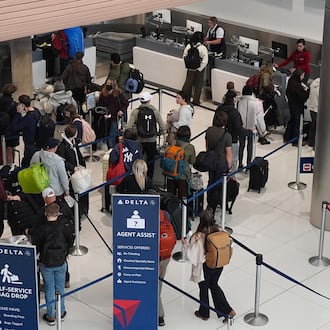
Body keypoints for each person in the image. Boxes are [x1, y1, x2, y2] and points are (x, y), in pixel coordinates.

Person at [186, 208, 236, 322]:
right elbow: (230, 245)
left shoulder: (198, 236)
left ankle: (204, 313)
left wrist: (186, 246)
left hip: (205, 266)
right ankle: (227, 311)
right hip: (219, 263)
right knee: (214, 285)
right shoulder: (220, 230)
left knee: (204, 288)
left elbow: (192, 257)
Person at [30, 203, 73, 326]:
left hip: (46, 264)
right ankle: (61, 311)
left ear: (45, 214)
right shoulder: (64, 228)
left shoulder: (41, 230)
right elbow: (70, 242)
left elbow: (35, 245)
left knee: (49, 289)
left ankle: (51, 316)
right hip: (61, 262)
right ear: (58, 214)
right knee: (60, 288)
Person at [125, 92, 166, 179]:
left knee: (138, 161)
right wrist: (157, 133)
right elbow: (163, 127)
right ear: (149, 100)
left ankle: (138, 179)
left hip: (139, 141)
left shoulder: (136, 112)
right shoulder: (155, 111)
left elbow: (128, 127)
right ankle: (149, 180)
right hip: (152, 141)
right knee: (151, 162)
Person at [205, 111, 232, 213]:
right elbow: (228, 154)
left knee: (211, 182)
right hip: (221, 163)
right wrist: (229, 168)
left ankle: (209, 203)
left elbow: (207, 147)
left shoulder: (209, 131)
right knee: (218, 185)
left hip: (211, 161)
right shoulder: (227, 135)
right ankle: (213, 206)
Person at [237, 85, 270, 169]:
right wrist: (263, 131)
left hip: (241, 128)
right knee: (250, 147)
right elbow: (259, 118)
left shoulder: (239, 102)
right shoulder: (256, 103)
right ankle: (249, 165)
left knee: (241, 146)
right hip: (252, 128)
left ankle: (240, 163)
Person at [216, 90, 246, 172]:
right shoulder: (235, 113)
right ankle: (231, 180)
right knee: (233, 160)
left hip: (219, 138)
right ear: (234, 99)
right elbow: (239, 128)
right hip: (232, 140)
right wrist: (249, 132)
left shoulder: (219, 109)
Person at [97, 78, 129, 148]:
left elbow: (125, 103)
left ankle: (113, 150)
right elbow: (100, 105)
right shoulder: (103, 94)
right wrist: (103, 114)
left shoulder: (118, 94)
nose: (108, 85)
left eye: (110, 84)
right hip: (105, 119)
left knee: (111, 137)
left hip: (115, 118)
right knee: (105, 135)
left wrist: (121, 111)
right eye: (107, 83)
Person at [11, 95, 41, 167]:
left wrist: (18, 113)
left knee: (26, 164)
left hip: (30, 145)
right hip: (37, 143)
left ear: (22, 105)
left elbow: (14, 127)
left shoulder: (28, 118)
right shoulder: (36, 111)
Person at [166, 126, 196, 199]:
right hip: (183, 176)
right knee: (183, 198)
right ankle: (182, 210)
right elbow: (193, 161)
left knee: (170, 198)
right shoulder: (190, 147)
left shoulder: (172, 144)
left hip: (170, 174)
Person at [284, 69, 310, 145]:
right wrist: (308, 91)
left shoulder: (291, 81)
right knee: (297, 123)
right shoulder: (297, 85)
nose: (303, 77)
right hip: (297, 106)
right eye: (302, 75)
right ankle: (295, 141)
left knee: (292, 121)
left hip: (291, 104)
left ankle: (287, 137)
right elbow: (303, 96)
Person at [182, 31, 209, 106]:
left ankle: (186, 98)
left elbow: (184, 56)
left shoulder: (189, 46)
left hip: (190, 68)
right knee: (198, 84)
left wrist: (188, 65)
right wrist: (200, 68)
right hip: (198, 69)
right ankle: (196, 100)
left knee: (188, 83)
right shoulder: (202, 48)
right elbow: (205, 60)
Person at [0, 83, 18, 164]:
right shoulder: (12, 104)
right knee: (10, 148)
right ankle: (11, 165)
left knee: (6, 148)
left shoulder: (1, 100)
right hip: (10, 128)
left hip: (2, 127)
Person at [307, 77, 320, 149]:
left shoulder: (313, 83)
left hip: (312, 107)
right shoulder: (322, 86)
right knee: (318, 128)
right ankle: (315, 144)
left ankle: (311, 142)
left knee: (313, 126)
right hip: (318, 109)